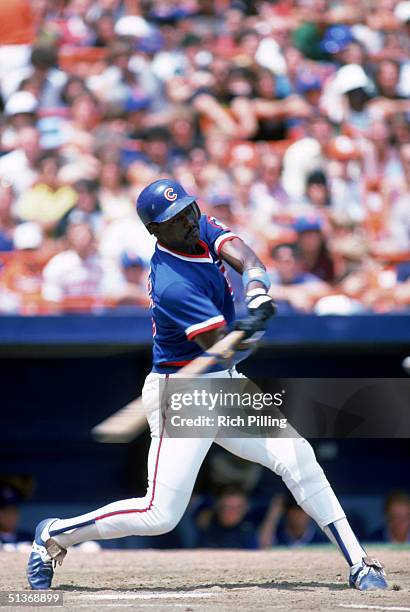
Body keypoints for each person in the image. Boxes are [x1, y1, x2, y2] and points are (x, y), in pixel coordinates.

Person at [27, 179, 387, 591]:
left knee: (298, 456)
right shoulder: (171, 283)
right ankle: (53, 534)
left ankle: (360, 563)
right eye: (175, 220)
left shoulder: (195, 225)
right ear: (155, 231)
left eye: (188, 210)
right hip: (184, 393)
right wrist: (251, 331)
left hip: (225, 383)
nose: (188, 221)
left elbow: (246, 256)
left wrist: (255, 291)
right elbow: (221, 349)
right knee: (159, 515)